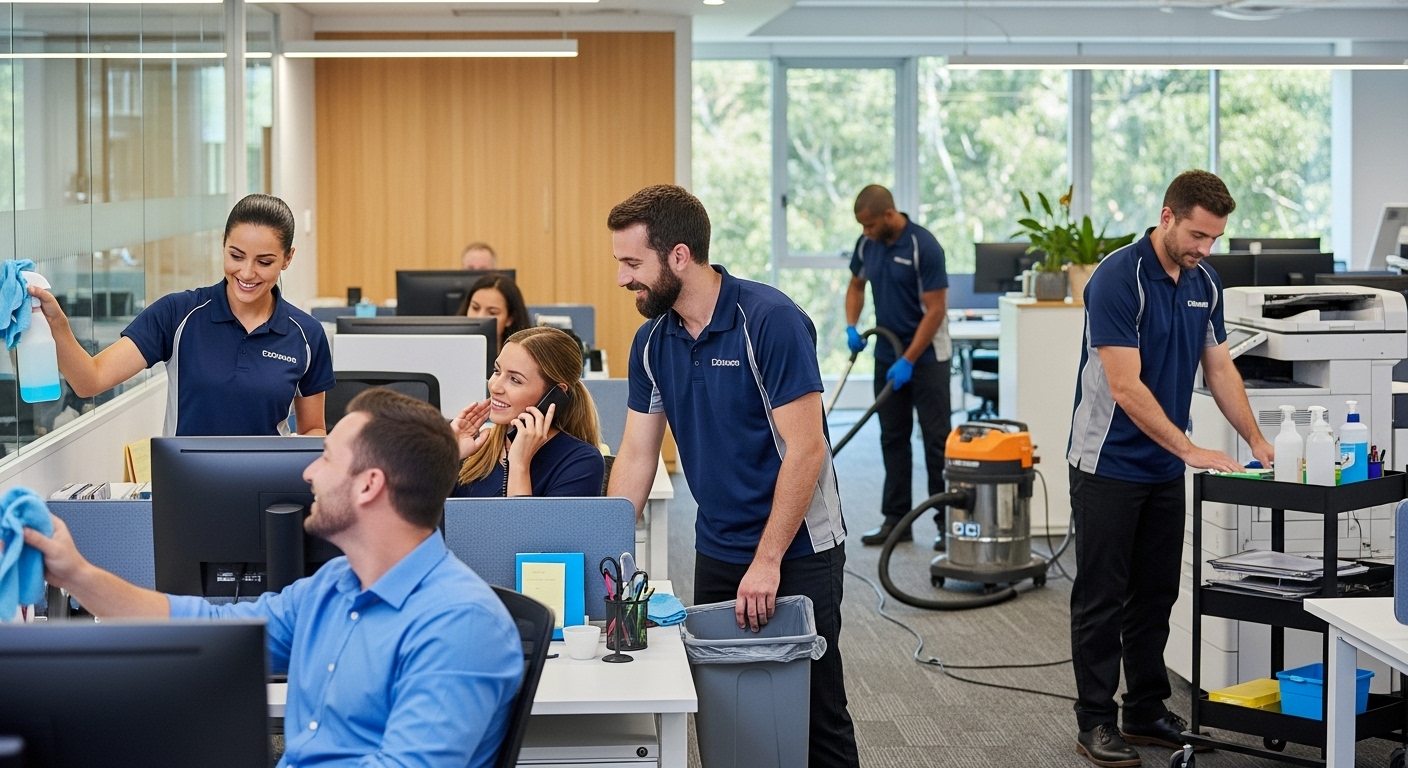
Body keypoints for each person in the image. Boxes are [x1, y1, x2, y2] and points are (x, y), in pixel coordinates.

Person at [21, 388, 524, 768]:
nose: (308, 473)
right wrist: (76, 573)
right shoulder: (335, 586)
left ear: (371, 485)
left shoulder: (459, 624)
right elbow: (202, 624)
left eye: (326, 458)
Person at [605, 185, 859, 768]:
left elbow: (806, 450)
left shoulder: (768, 321)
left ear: (678, 256)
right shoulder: (651, 342)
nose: (622, 279)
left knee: (816, 712)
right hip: (718, 545)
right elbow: (639, 455)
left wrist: (767, 560)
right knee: (727, 706)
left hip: (796, 546)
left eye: (631, 263)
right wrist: (609, 554)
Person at [1066, 170, 1272, 768]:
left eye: (1214, 239)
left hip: (1161, 466)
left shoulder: (1205, 283)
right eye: (1198, 235)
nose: (1205, 249)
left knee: (1156, 593)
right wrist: (1191, 450)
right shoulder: (1116, 277)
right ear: (1167, 216)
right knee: (1102, 596)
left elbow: (1220, 370)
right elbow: (1125, 387)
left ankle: (1147, 709)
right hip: (1106, 462)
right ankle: (1095, 721)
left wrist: (1256, 438)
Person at [28, 194, 334, 437]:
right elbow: (89, 381)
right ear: (223, 245)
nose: (247, 272)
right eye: (236, 256)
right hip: (187, 494)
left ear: (287, 258)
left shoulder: (306, 335)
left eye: (264, 262)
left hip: (268, 497)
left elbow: (313, 429)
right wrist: (57, 324)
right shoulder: (177, 314)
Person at [844, 184, 952, 551]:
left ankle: (946, 523)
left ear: (889, 216)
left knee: (937, 441)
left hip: (927, 358)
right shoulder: (866, 246)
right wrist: (851, 325)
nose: (866, 232)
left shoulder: (924, 246)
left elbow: (936, 309)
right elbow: (856, 285)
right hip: (888, 355)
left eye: (870, 225)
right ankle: (896, 520)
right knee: (892, 437)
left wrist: (909, 358)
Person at [451, 326, 604, 497]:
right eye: (497, 371)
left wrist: (518, 465)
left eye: (515, 380)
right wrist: (447, 456)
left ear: (555, 394)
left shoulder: (580, 462)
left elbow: (522, 524)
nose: (495, 386)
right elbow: (424, 520)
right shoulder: (477, 445)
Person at [457, 273, 530, 351]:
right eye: (475, 308)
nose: (480, 317)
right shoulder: (453, 348)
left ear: (510, 318)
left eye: (492, 312)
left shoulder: (522, 357)